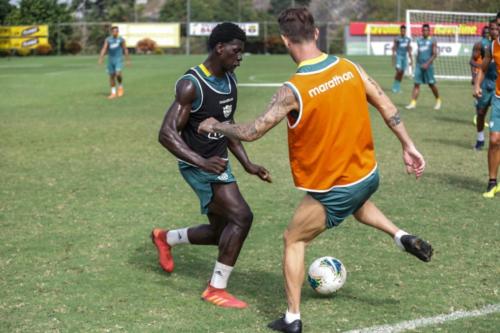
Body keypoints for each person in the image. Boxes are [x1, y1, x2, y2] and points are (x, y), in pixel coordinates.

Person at [199, 8, 433, 333]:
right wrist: (408, 145)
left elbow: (253, 131)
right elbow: (385, 104)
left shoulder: (292, 90)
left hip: (334, 188)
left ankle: (292, 318)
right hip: (368, 176)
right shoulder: (349, 67)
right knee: (356, 203)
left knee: (293, 239)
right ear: (317, 34)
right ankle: (400, 235)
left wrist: (216, 125)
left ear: (284, 40)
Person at [152, 22, 271, 309]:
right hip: (198, 165)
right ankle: (216, 288)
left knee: (221, 233)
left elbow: (227, 128)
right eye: (236, 50)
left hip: (217, 164)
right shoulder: (192, 84)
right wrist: (202, 162)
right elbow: (166, 134)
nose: (240, 57)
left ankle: (165, 238)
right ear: (220, 48)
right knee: (242, 217)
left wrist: (247, 164)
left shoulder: (230, 81)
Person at [474, 17, 500, 199]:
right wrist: (477, 85)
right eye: (496, 26)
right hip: (499, 97)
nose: (496, 29)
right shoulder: (493, 46)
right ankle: (492, 182)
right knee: (494, 140)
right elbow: (482, 68)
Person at [471, 22, 497, 150]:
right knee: (481, 112)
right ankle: (480, 139)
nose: (494, 31)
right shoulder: (486, 46)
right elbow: (476, 63)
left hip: (498, 83)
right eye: (492, 29)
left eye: (496, 28)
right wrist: (476, 83)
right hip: (486, 84)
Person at [406, 24, 441, 110]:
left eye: (427, 30)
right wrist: (414, 64)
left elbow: (434, 54)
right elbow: (418, 52)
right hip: (419, 65)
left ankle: (438, 100)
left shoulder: (432, 40)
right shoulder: (419, 40)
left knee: (431, 84)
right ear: (422, 31)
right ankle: (413, 103)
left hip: (428, 66)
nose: (425, 32)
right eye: (424, 30)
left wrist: (427, 64)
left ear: (429, 31)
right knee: (416, 84)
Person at [98, 26, 130, 99]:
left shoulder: (121, 40)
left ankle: (120, 86)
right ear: (111, 32)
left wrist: (127, 60)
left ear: (118, 32)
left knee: (118, 74)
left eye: (116, 31)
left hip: (118, 59)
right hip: (110, 60)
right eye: (114, 31)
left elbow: (125, 49)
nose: (115, 32)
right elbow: (104, 48)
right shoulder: (108, 39)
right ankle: (113, 93)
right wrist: (101, 58)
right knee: (112, 76)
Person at [391, 25, 413, 93]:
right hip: (398, 56)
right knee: (399, 71)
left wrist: (411, 59)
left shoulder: (408, 39)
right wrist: (393, 58)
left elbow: (409, 49)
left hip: (404, 57)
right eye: (402, 31)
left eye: (404, 31)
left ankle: (398, 87)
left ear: (405, 31)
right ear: (400, 31)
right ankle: (394, 87)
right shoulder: (397, 39)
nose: (403, 32)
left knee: (402, 73)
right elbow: (394, 48)